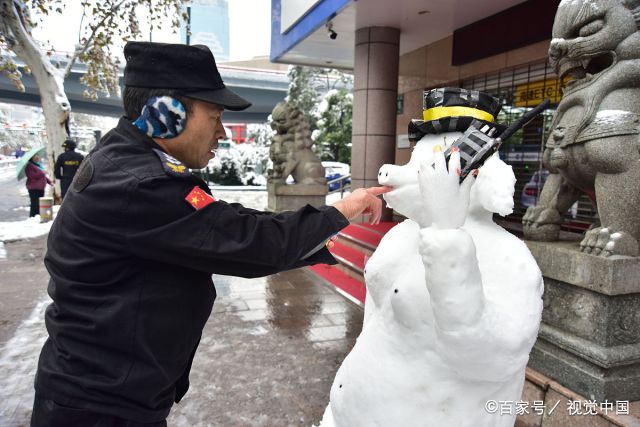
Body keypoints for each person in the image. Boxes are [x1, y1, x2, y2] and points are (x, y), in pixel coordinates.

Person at [30, 41, 390, 427]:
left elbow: (221, 220)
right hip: (99, 408)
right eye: (215, 115)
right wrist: (342, 210)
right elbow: (244, 239)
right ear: (165, 114)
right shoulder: (139, 183)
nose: (221, 131)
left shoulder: (133, 166)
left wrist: (320, 232)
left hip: (109, 395)